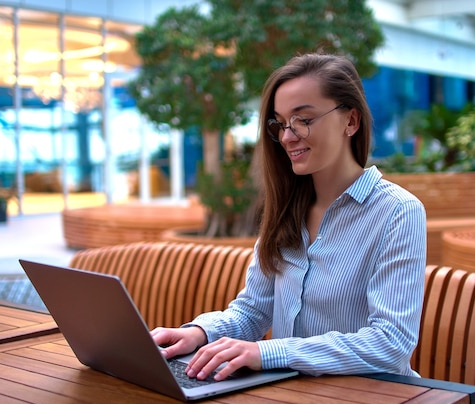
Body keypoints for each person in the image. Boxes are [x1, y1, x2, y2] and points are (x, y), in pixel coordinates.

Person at [151, 52, 427, 381]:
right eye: (280, 124)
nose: (287, 136)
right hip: (294, 399)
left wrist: (269, 352)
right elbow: (253, 310)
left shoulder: (397, 212)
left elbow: (390, 343)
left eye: (303, 120)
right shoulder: (287, 210)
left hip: (374, 401)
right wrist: (199, 333)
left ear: (350, 121)